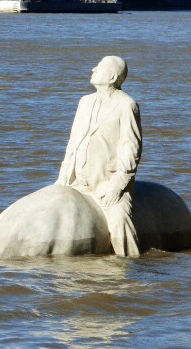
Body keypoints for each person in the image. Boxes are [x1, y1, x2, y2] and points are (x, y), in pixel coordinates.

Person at [56, 56, 142, 256]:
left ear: (112, 77)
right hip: (78, 182)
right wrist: (62, 179)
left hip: (106, 184)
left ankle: (129, 266)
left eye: (100, 67)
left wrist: (116, 187)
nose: (93, 68)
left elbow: (131, 148)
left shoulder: (127, 105)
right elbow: (73, 144)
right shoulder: (84, 102)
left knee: (119, 221)